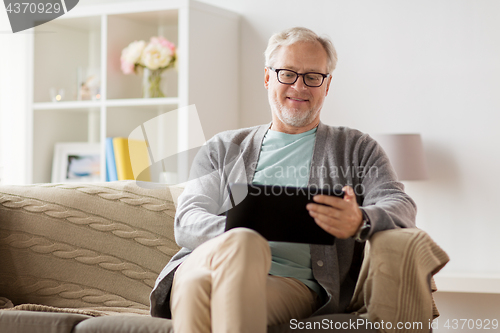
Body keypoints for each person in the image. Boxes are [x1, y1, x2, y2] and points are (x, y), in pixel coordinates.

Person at [150, 27, 417, 332]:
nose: (299, 86)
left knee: (200, 289)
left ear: (327, 85)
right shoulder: (223, 148)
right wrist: (241, 235)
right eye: (287, 73)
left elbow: (401, 204)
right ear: (267, 78)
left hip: (290, 285)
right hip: (204, 264)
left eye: (312, 77)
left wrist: (359, 219)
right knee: (238, 245)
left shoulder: (356, 148)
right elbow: (187, 219)